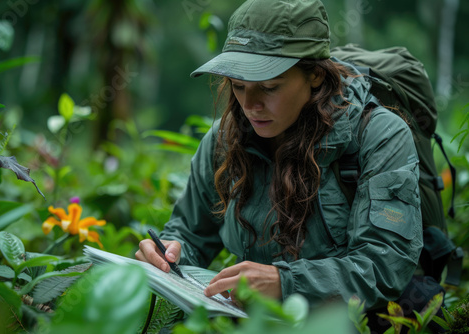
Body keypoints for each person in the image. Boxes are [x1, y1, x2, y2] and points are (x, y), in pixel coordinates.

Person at [136, 0, 424, 330]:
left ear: (315, 74)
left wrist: (285, 283)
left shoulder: (377, 136)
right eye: (238, 85)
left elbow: (384, 264)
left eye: (269, 87)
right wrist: (167, 255)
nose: (249, 105)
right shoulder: (225, 141)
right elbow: (188, 233)